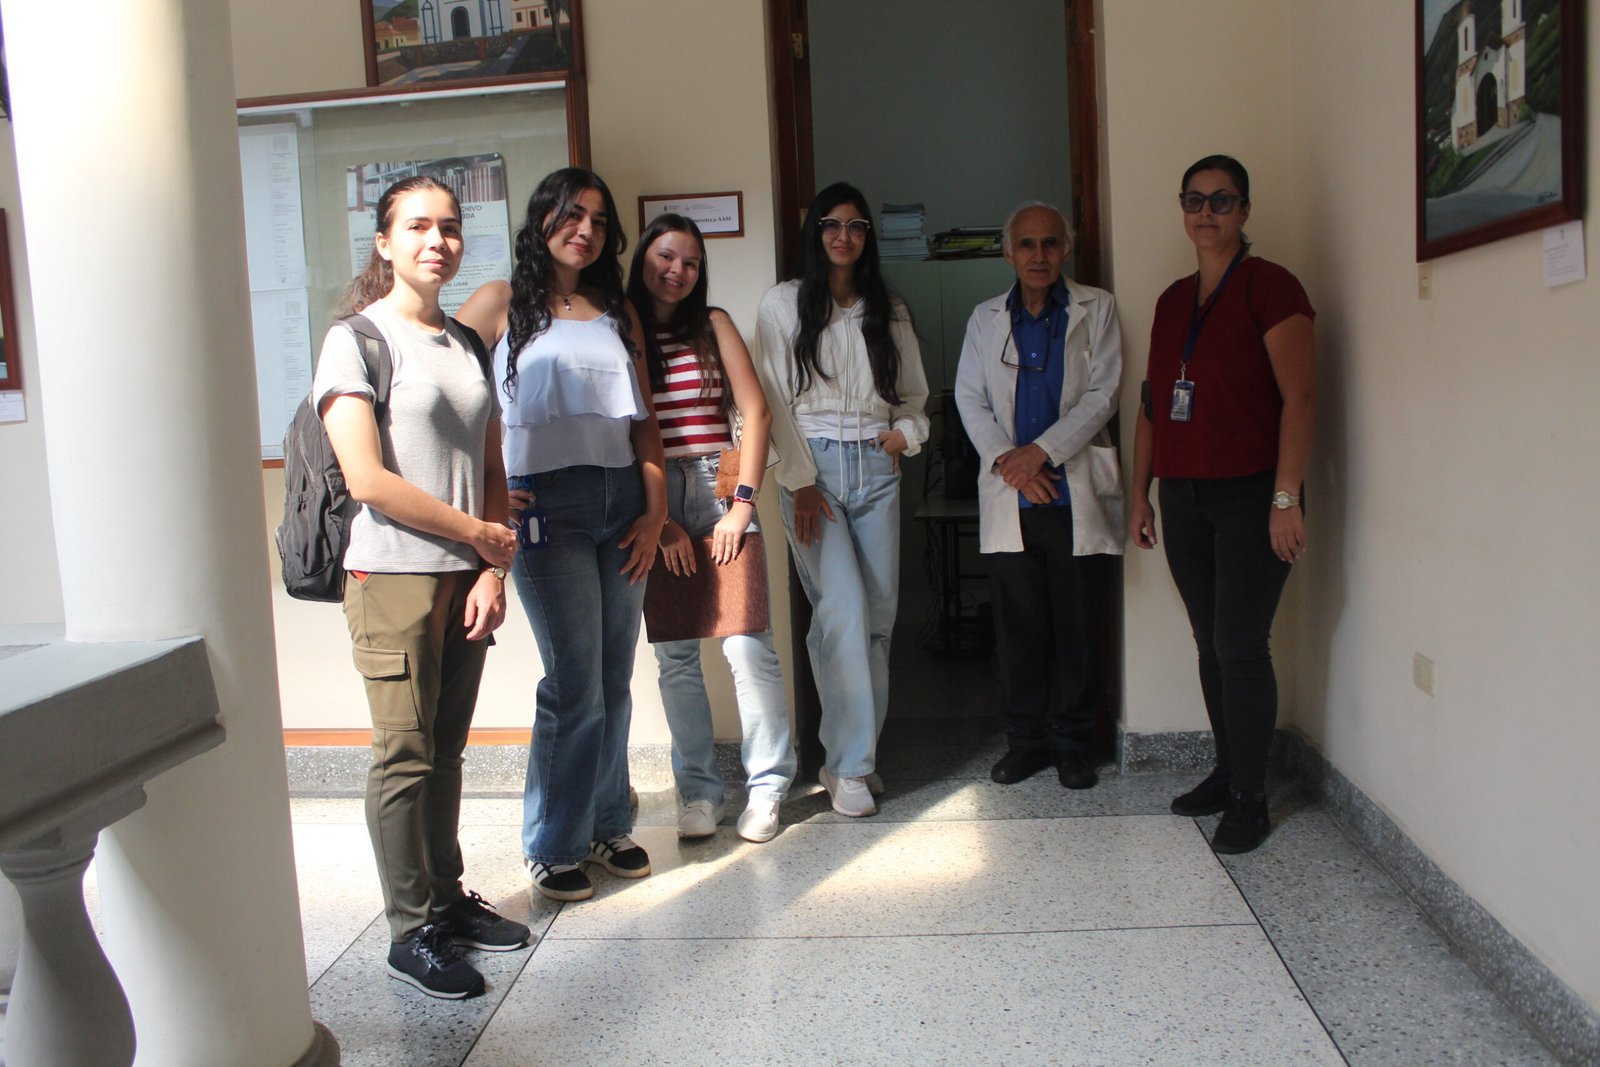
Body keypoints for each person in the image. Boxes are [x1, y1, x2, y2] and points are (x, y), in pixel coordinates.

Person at [314, 175, 530, 999]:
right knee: (403, 755)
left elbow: (491, 461)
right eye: (416, 226)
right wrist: (477, 533)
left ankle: (446, 898)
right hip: (394, 574)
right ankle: (412, 932)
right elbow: (366, 478)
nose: (436, 240)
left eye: (448, 226)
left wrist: (491, 566)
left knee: (445, 749)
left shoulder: (466, 342)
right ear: (384, 241)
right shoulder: (357, 341)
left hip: (464, 578)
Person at [456, 167, 667, 900]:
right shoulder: (498, 302)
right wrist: (490, 491)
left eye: (599, 221)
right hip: (546, 507)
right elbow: (452, 402)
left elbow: (644, 423)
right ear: (543, 218)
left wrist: (655, 511)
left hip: (621, 501)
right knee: (574, 680)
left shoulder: (617, 310)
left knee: (613, 676)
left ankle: (608, 822)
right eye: (573, 214)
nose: (586, 230)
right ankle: (553, 841)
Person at [1127, 154, 1316, 854]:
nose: (1206, 213)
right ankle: (1228, 769)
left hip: (1252, 492)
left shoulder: (1272, 286)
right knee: (1210, 641)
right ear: (1183, 209)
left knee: (1240, 644)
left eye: (1222, 200)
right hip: (1183, 493)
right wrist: (1140, 493)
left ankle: (1249, 797)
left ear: (1244, 211)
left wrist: (1286, 497)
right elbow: (1153, 403)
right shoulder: (1172, 301)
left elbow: (1301, 396)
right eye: (1194, 200)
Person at [754, 181, 929, 818]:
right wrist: (799, 480)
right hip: (815, 472)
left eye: (855, 226)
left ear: (867, 236)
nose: (843, 236)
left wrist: (906, 434)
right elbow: (770, 400)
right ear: (815, 232)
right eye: (831, 224)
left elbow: (914, 398)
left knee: (874, 623)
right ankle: (851, 766)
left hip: (877, 468)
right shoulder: (783, 304)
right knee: (844, 612)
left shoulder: (890, 308)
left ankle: (851, 758)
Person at [626, 214, 797, 843]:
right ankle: (699, 792)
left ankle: (767, 787)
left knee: (748, 647)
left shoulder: (714, 323)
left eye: (691, 262)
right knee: (676, 657)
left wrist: (743, 506)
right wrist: (659, 519)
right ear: (644, 258)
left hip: (719, 483)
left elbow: (756, 411)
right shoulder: (621, 326)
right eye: (666, 257)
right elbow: (625, 428)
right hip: (654, 492)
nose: (678, 271)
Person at [953, 202, 1124, 792]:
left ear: (1066, 249)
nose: (1039, 255)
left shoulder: (1097, 308)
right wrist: (1012, 463)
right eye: (1027, 244)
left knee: (1077, 630)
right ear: (1009, 253)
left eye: (1050, 243)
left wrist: (1041, 454)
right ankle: (1025, 743)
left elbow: (1103, 395)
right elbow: (969, 399)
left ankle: (1073, 745)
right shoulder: (984, 319)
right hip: (1013, 497)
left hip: (1074, 497)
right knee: (1019, 632)